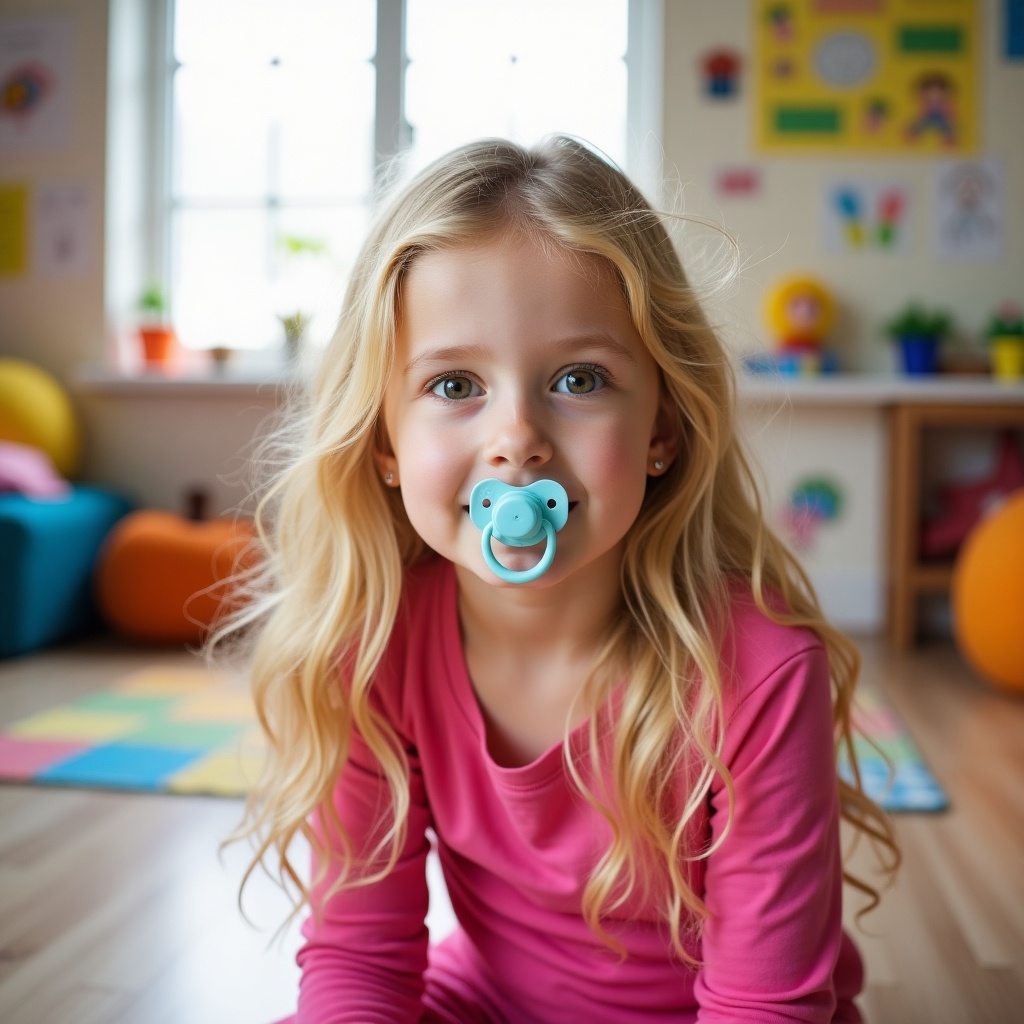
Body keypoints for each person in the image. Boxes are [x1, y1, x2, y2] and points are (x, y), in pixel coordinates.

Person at [217, 135, 899, 1022]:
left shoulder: (758, 670)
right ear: (385, 442)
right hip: (488, 1003)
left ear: (663, 427)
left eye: (580, 378)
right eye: (456, 383)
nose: (517, 438)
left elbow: (765, 1006)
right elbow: (359, 963)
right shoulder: (373, 647)